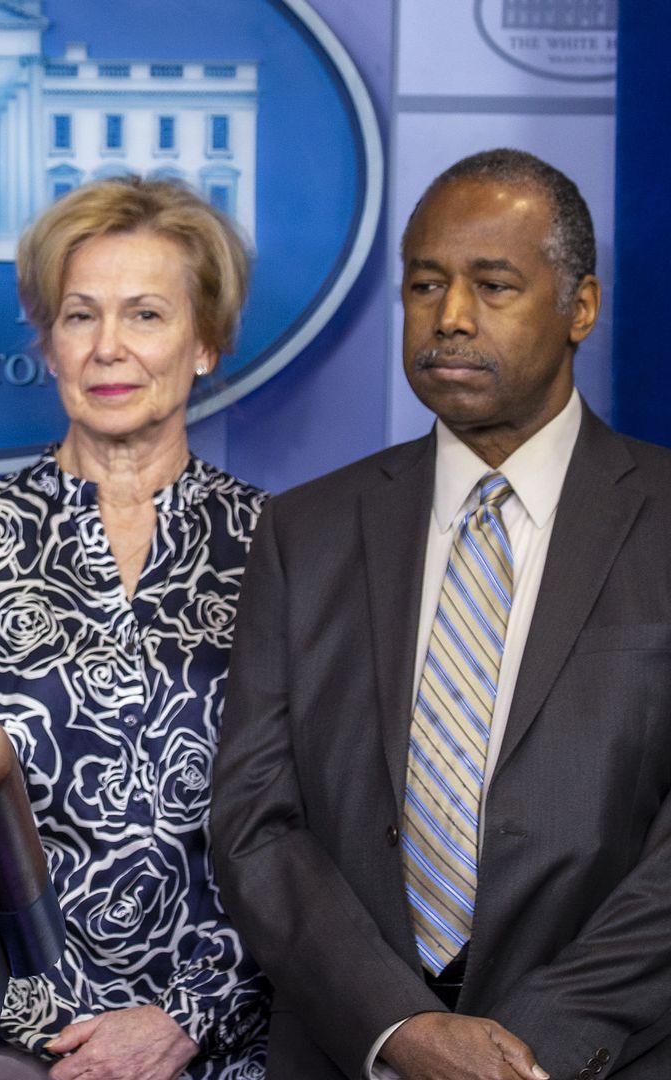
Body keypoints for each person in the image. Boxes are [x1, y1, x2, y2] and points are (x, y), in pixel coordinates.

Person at [213, 148, 671, 1079]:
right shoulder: (306, 529)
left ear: (580, 306)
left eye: (493, 285)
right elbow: (256, 822)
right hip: (356, 1054)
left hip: (603, 1057)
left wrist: (533, 1039)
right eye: (426, 284)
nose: (451, 318)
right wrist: (402, 1032)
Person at [0, 176, 268, 1079]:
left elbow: (315, 824)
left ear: (206, 343)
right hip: (14, 1046)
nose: (109, 348)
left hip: (225, 1042)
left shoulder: (282, 549)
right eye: (80, 316)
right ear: (47, 340)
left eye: (146, 314)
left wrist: (190, 1015)